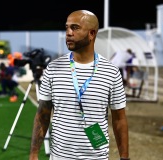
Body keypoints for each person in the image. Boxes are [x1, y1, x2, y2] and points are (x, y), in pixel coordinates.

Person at [29, 10, 129, 160]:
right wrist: (34, 153)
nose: (68, 33)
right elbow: (43, 114)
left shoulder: (111, 72)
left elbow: (119, 119)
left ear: (92, 33)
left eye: (75, 28)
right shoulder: (53, 68)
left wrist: (125, 157)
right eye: (67, 27)